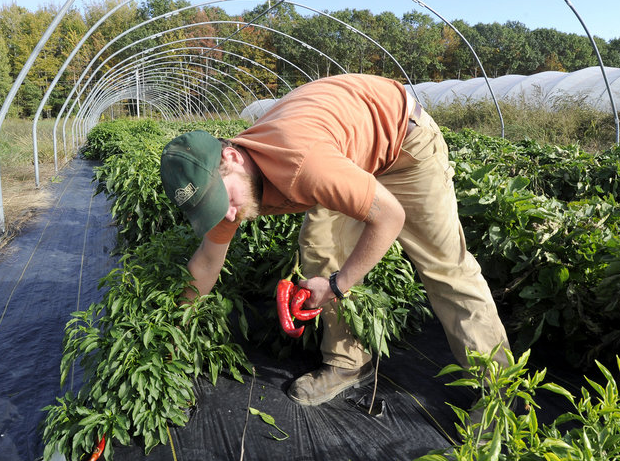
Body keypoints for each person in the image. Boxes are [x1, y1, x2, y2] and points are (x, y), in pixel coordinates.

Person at [159, 73, 510, 407]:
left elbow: (390, 216)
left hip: (403, 144)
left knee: (444, 266)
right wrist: (170, 335)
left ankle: (501, 393)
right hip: (345, 151)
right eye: (216, 210)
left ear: (232, 157)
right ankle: (349, 361)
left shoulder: (302, 163)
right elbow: (206, 262)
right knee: (318, 246)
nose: (229, 215)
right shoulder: (230, 190)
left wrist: (339, 285)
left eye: (226, 201)